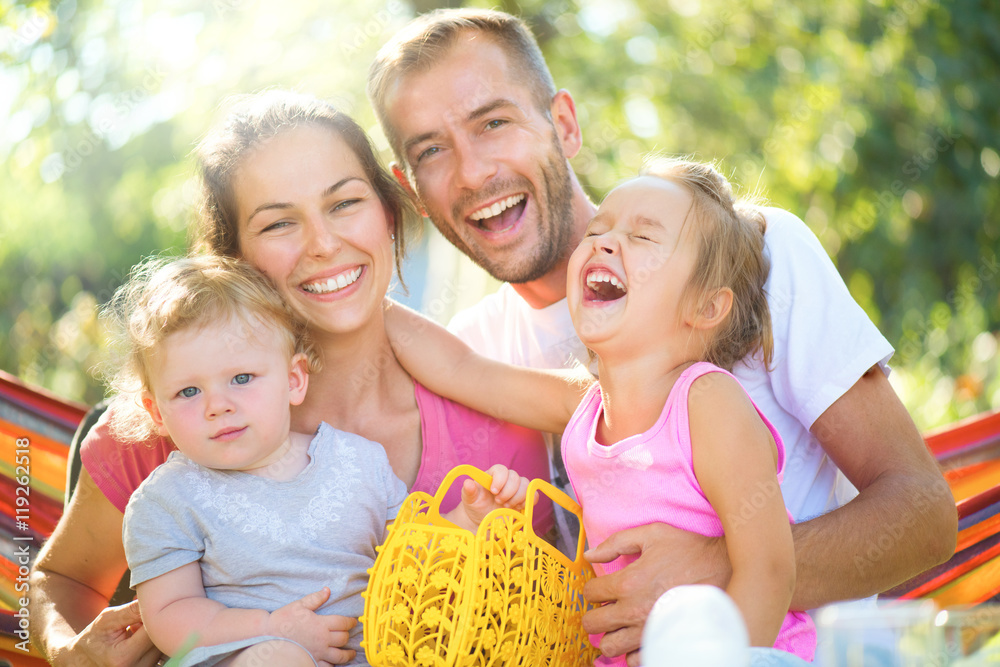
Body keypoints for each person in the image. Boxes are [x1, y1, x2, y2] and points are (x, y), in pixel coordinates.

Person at [368, 8, 957, 665]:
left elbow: (923, 516)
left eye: (494, 122)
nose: (473, 172)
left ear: (562, 123)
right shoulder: (474, 354)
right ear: (411, 191)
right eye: (431, 151)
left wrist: (708, 572)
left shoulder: (749, 255)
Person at [27, 91, 552, 666]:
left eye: (345, 203)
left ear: (388, 211)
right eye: (278, 223)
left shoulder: (495, 438)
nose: (323, 244)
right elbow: (60, 579)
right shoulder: (167, 430)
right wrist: (66, 653)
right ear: (234, 258)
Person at [385, 159, 816, 664]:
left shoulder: (707, 403)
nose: (605, 242)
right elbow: (465, 371)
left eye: (643, 237)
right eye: (598, 229)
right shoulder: (585, 408)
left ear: (705, 307)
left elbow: (769, 569)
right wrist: (363, 295)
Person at [105, 254, 531, 667]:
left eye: (241, 379)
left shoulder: (357, 462)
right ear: (157, 412)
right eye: (189, 392)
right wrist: (273, 629)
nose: (218, 405)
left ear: (293, 380)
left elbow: (412, 564)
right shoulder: (168, 499)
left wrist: (467, 522)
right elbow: (171, 618)